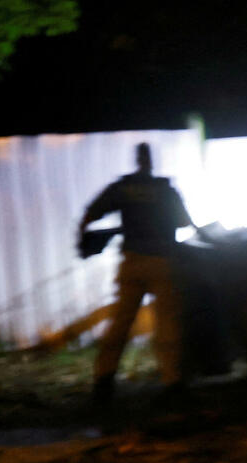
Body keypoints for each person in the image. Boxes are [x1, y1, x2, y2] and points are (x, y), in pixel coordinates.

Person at [79, 142, 194, 403]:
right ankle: (173, 382)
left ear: (136, 160)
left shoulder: (123, 188)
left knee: (120, 323)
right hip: (163, 262)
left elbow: (91, 212)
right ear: (151, 161)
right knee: (167, 322)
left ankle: (103, 380)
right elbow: (184, 222)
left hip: (132, 262)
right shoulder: (165, 189)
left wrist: (84, 238)